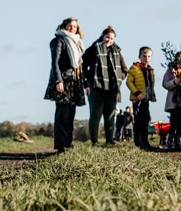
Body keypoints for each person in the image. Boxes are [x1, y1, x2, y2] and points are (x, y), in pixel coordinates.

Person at [44, 17, 87, 152]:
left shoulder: (77, 43)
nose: (72, 28)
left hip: (75, 81)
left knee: (71, 114)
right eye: (70, 26)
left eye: (75, 27)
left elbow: (80, 65)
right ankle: (61, 145)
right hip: (63, 80)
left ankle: (68, 143)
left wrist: (86, 84)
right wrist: (58, 81)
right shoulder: (59, 40)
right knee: (62, 114)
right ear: (64, 26)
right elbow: (55, 63)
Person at [82, 26, 128, 146]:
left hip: (112, 87)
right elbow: (82, 65)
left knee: (110, 114)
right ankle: (94, 141)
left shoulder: (117, 51)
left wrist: (121, 76)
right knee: (95, 113)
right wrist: (87, 82)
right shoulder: (93, 49)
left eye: (112, 38)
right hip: (96, 86)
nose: (109, 40)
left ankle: (109, 140)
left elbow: (124, 68)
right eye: (107, 37)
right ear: (102, 36)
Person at [126, 47, 157, 150]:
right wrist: (137, 93)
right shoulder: (134, 68)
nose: (146, 58)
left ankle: (145, 142)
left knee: (146, 120)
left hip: (146, 98)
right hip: (138, 99)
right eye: (144, 56)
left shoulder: (150, 69)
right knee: (139, 121)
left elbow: (151, 83)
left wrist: (153, 94)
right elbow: (129, 82)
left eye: (149, 56)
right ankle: (139, 143)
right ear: (139, 56)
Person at [161, 51, 181, 150]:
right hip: (173, 100)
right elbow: (165, 83)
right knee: (174, 121)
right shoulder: (170, 70)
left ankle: (177, 141)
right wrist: (174, 82)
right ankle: (169, 142)